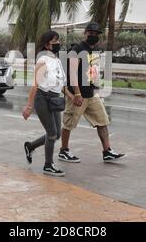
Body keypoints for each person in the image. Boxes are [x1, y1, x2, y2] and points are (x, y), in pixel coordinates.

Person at [59, 22, 126, 163]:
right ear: (85, 33)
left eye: (96, 34)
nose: (93, 36)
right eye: (91, 33)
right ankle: (63, 151)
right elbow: (72, 73)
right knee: (69, 124)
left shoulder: (92, 51)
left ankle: (107, 151)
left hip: (90, 94)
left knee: (102, 121)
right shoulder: (76, 50)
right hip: (78, 95)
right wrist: (76, 94)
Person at [22, 31, 74, 177]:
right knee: (51, 134)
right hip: (42, 98)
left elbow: (61, 84)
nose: (58, 44)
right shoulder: (42, 61)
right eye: (55, 42)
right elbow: (35, 85)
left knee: (57, 134)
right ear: (47, 45)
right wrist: (28, 106)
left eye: (58, 41)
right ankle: (48, 165)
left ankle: (30, 146)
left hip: (55, 98)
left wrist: (72, 96)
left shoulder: (56, 61)